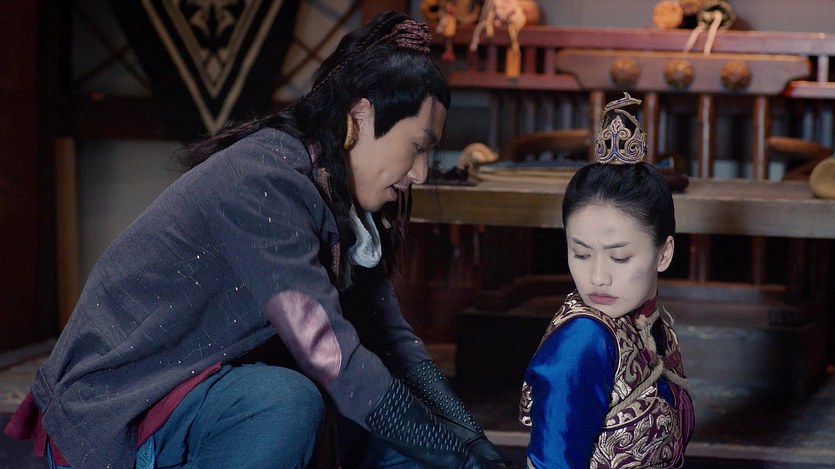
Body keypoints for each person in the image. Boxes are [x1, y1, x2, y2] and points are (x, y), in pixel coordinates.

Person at [5, 11, 509, 469]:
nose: (421, 172)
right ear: (359, 117)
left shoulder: (341, 195)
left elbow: (392, 339)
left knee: (406, 444)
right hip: (131, 405)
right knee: (286, 402)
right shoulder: (264, 180)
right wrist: (454, 456)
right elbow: (325, 350)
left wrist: (469, 441)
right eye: (417, 147)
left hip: (209, 394)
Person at [518, 93, 695, 468]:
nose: (597, 277)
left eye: (619, 257)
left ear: (664, 253)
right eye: (581, 254)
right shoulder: (583, 340)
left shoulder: (650, 322)